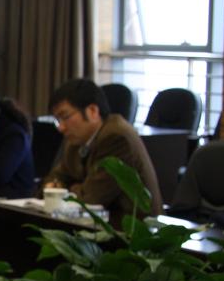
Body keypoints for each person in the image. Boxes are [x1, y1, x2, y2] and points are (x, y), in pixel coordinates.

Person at [43, 79, 163, 225]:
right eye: (57, 120)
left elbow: (91, 198)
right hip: (92, 223)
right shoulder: (75, 139)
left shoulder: (117, 137)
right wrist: (72, 187)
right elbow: (54, 178)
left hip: (130, 230)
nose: (61, 127)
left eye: (65, 117)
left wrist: (64, 189)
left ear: (92, 111)